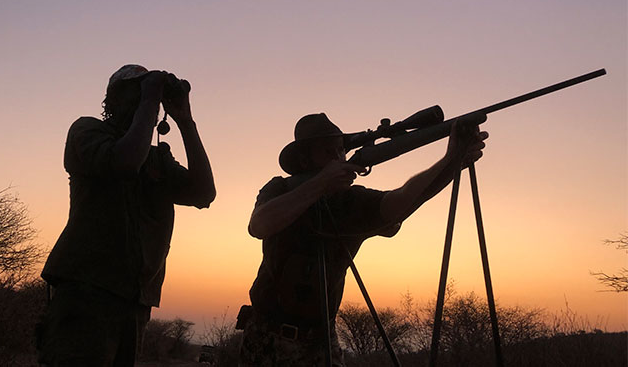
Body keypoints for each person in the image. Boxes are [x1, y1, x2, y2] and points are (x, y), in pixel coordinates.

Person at [239, 113, 488, 366]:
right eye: (329, 153)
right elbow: (259, 225)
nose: (339, 159)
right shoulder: (280, 189)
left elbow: (401, 202)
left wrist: (451, 161)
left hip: (321, 342)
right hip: (266, 338)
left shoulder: (351, 202)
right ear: (305, 160)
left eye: (341, 152)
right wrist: (322, 183)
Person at [38, 64, 216, 366]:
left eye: (146, 95)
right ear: (112, 99)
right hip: (86, 290)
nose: (142, 100)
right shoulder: (87, 131)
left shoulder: (156, 157)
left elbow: (203, 193)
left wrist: (185, 121)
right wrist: (149, 100)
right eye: (134, 92)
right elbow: (125, 162)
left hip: (135, 300)